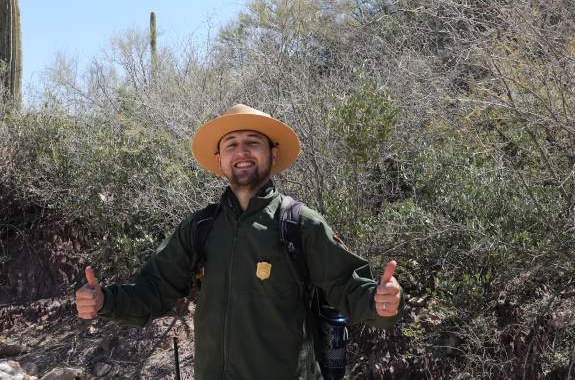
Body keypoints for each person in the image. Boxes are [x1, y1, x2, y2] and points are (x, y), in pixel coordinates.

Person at [76, 104, 403, 379]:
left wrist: (378, 301)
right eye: (231, 144)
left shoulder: (300, 224)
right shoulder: (200, 227)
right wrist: (106, 300)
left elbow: (347, 286)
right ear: (219, 159)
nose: (242, 151)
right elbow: (154, 289)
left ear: (272, 155)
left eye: (252, 142)